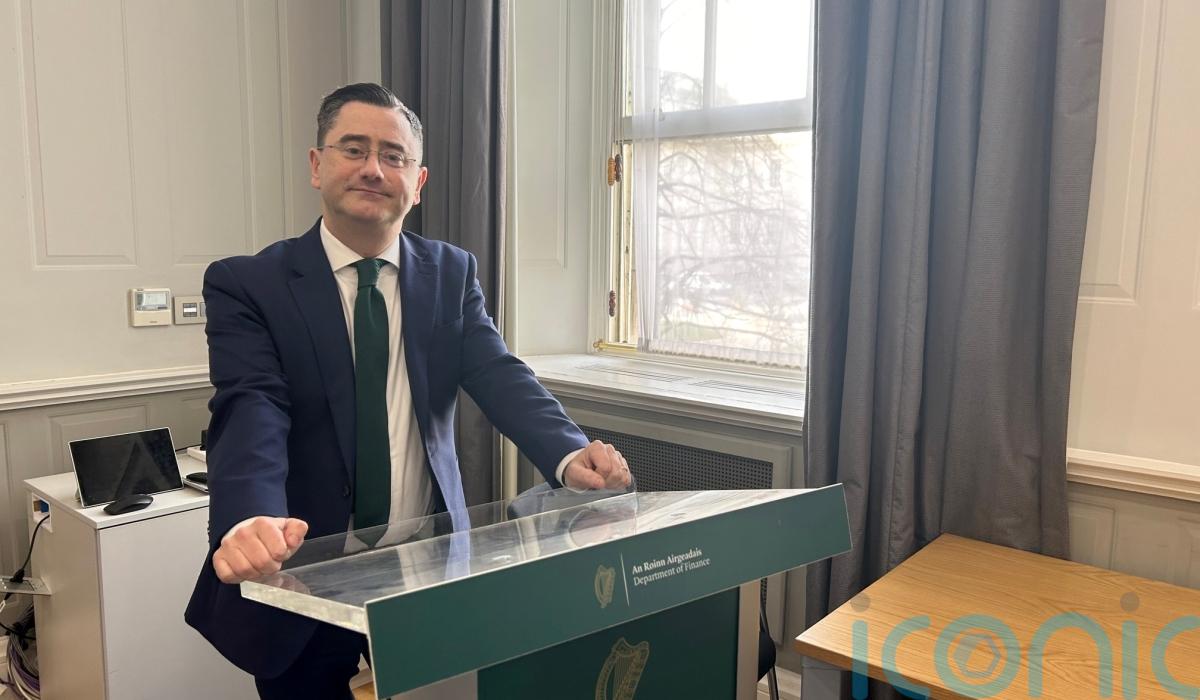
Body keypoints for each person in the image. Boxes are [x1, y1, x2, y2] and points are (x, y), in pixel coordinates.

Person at [184, 82, 631, 699]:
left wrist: (567, 452)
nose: (373, 168)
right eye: (353, 149)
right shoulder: (248, 283)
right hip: (303, 576)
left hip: (427, 568)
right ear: (316, 165)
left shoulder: (451, 272)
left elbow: (498, 373)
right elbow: (252, 404)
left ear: (417, 183)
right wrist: (250, 515)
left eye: (394, 156)